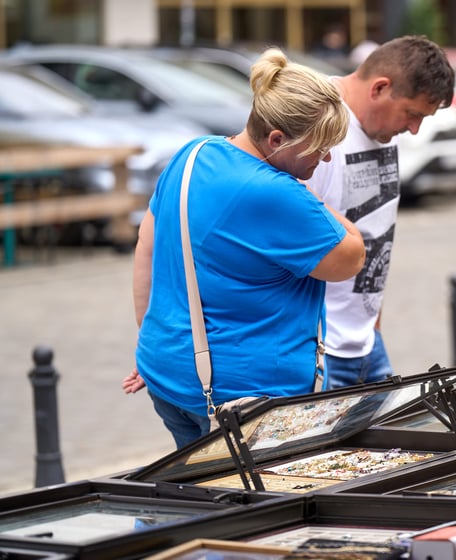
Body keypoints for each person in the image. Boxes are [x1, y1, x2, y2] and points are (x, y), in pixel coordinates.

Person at [122, 47, 365, 449]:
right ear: (276, 139)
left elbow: (146, 246)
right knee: (249, 509)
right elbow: (351, 257)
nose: (324, 159)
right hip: (244, 404)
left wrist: (154, 339)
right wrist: (309, 197)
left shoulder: (192, 153)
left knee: (188, 496)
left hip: (168, 375)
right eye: (319, 148)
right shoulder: (276, 194)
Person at [307, 35, 455, 389]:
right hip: (321, 355)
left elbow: (377, 231)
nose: (414, 129)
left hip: (367, 344)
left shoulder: (382, 127)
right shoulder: (316, 124)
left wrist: (373, 325)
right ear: (380, 88)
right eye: (412, 114)